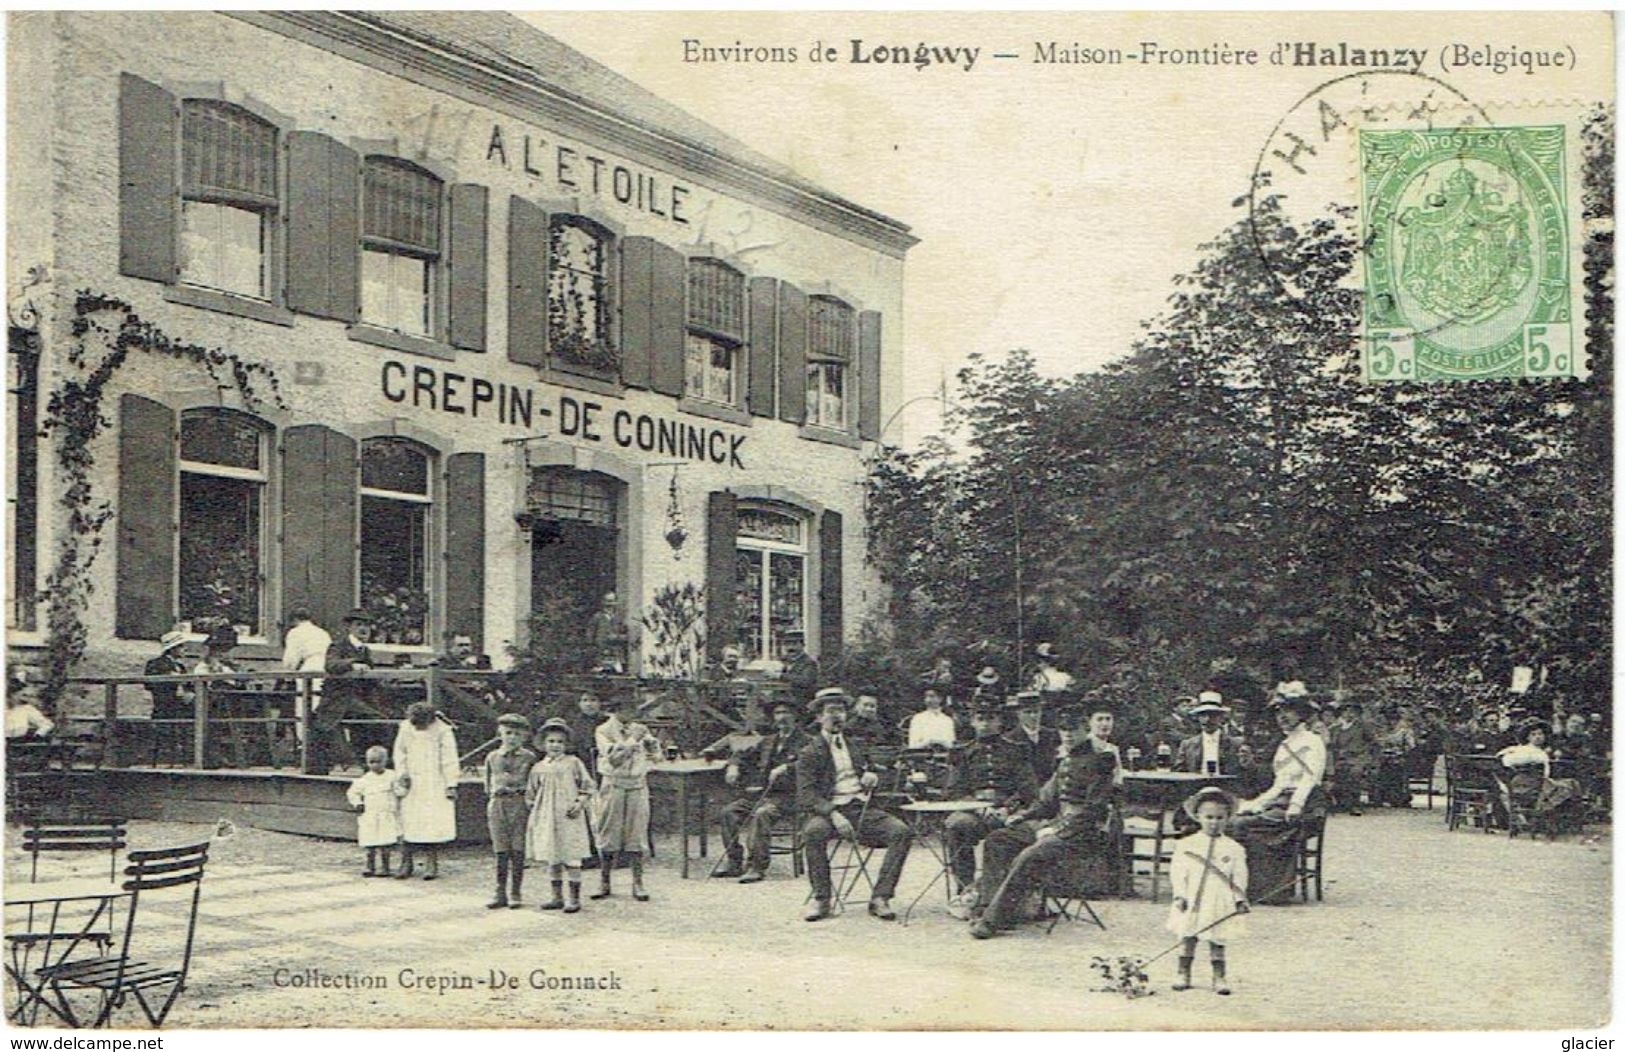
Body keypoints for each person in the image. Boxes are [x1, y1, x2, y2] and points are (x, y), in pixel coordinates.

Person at [968, 731, 1119, 940]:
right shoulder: (1066, 761)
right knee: (998, 839)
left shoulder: (1101, 762)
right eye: (1064, 730)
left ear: (1085, 730)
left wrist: (1057, 829)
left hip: (1084, 833)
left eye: (1073, 728)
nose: (1068, 735)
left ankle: (992, 920)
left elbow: (1094, 811)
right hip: (1058, 825)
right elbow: (1046, 802)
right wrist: (1022, 816)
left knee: (1030, 855)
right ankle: (989, 906)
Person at [797, 687, 914, 922]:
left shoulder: (856, 744)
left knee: (901, 831)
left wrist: (872, 777)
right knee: (813, 832)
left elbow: (871, 771)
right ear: (819, 717)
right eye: (830, 711)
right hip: (830, 811)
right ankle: (822, 898)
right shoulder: (810, 751)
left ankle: (881, 897)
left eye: (840, 711)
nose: (837, 716)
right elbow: (806, 795)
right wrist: (833, 814)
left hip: (861, 809)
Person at [1230, 682, 1327, 905]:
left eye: (1289, 711)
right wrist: (1256, 803)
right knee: (1238, 818)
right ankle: (1252, 885)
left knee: (1241, 825)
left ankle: (1272, 889)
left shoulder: (1313, 741)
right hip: (1282, 802)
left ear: (1301, 713)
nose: (1283, 716)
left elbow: (1310, 777)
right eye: (1280, 712)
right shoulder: (1284, 744)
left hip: (1305, 805)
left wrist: (1295, 806)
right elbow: (1279, 784)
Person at [943, 698, 1038, 917]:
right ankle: (965, 889)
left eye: (991, 718)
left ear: (1000, 722)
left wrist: (1008, 807)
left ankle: (1003, 893)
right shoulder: (962, 752)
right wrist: (977, 807)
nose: (985, 724)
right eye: (980, 718)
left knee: (1017, 833)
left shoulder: (1017, 750)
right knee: (957, 825)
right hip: (975, 813)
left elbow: (1029, 789)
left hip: (1009, 812)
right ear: (973, 722)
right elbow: (953, 791)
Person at [1166, 787, 1249, 995]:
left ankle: (1219, 977)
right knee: (1188, 933)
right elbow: (1178, 872)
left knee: (1217, 937)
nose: (1214, 822)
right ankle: (1183, 972)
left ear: (1228, 818)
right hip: (1192, 897)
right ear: (1198, 817)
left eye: (1220, 817)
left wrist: (1239, 898)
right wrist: (1180, 895)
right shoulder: (1186, 845)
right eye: (1209, 817)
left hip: (1218, 898)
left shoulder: (1234, 848)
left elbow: (1239, 875)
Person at [717, 698, 808, 882]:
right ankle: (734, 861)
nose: (782, 717)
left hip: (789, 798)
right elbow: (741, 754)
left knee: (761, 814)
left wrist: (787, 768)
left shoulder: (807, 742)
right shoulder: (768, 741)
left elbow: (810, 764)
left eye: (786, 713)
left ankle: (756, 866)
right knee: (728, 812)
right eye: (778, 713)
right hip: (761, 795)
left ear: (796, 716)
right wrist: (733, 766)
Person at [593, 694, 659, 901]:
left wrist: (652, 747)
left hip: (637, 785)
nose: (632, 713)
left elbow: (656, 756)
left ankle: (638, 882)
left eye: (633, 708)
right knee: (608, 831)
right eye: (627, 708)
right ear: (616, 709)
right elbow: (613, 760)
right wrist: (632, 741)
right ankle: (604, 882)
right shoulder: (603, 730)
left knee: (637, 833)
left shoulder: (640, 728)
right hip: (613, 784)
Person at [527, 718, 596, 913]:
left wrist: (579, 803)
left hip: (569, 816)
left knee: (572, 856)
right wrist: (539, 813)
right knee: (553, 856)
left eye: (560, 742)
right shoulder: (538, 767)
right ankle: (556, 897)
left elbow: (588, 786)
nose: (555, 745)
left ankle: (574, 898)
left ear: (566, 744)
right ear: (543, 743)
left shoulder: (573, 763)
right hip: (548, 818)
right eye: (551, 741)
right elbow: (531, 794)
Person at [392, 701, 460, 880]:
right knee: (407, 820)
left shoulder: (443, 730)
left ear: (430, 721)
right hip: (412, 782)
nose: (419, 728)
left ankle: (431, 862)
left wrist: (451, 784)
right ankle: (406, 862)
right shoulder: (406, 728)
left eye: (422, 725)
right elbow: (399, 752)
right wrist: (402, 773)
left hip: (434, 782)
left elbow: (449, 758)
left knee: (431, 822)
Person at [315, 609, 384, 775]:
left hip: (357, 700)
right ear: (349, 628)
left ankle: (369, 762)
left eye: (367, 625)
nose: (364, 629)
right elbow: (331, 665)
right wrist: (352, 664)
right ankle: (358, 762)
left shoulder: (364, 650)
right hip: (337, 700)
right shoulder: (338, 645)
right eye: (359, 625)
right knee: (374, 719)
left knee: (381, 717)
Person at [484, 713, 538, 909]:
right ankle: (499, 892)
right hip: (498, 805)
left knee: (517, 849)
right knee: (500, 849)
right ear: (500, 734)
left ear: (524, 736)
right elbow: (487, 783)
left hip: (520, 804)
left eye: (517, 734)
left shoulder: (529, 757)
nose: (512, 737)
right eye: (508, 733)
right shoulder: (492, 757)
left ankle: (516, 891)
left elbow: (533, 784)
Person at [1497, 719, 1585, 835]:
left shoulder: (1539, 751)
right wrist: (1531, 760)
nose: (1538, 737)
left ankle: (1567, 822)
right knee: (1570, 785)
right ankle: (1559, 820)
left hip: (1537, 784)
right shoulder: (1523, 750)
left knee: (1571, 784)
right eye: (1533, 735)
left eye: (1540, 734)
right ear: (1528, 738)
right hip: (1528, 787)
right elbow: (1506, 760)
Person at [345, 745, 404, 877]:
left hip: (386, 814)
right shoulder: (365, 779)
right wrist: (358, 803)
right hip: (371, 815)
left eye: (378, 762)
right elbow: (352, 792)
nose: (375, 765)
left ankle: (385, 867)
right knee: (370, 842)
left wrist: (404, 786)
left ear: (386, 761)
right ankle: (369, 865)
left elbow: (399, 791)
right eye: (371, 762)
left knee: (385, 843)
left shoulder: (392, 776)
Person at [144, 629, 193, 763]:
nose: (185, 649)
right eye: (182, 646)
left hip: (181, 704)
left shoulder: (181, 667)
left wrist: (188, 692)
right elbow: (149, 684)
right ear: (173, 649)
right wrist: (171, 680)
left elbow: (189, 685)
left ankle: (189, 756)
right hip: (165, 704)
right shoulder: (156, 664)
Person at [1176, 693, 1252, 777]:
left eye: (1213, 715)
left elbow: (1246, 773)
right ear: (1198, 717)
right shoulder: (1187, 745)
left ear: (1221, 717)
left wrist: (1247, 763)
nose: (1207, 720)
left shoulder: (1236, 744)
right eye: (1203, 715)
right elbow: (1179, 773)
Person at [1326, 699, 1376, 815]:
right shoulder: (1335, 729)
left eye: (1353, 711)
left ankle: (1354, 804)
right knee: (1332, 770)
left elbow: (1373, 742)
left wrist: (1368, 756)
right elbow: (1332, 746)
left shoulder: (1362, 727)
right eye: (1346, 711)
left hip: (1358, 757)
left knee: (1354, 772)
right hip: (1340, 758)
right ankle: (1339, 802)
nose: (1349, 714)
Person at [1003, 690, 1064, 781]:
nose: (1033, 716)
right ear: (1018, 714)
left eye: (1036, 711)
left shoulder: (1053, 735)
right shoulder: (1009, 739)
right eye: (1028, 712)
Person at [587, 591, 631, 674]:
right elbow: (589, 637)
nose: (610, 604)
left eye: (612, 601)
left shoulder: (619, 618)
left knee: (618, 674)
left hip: (616, 654)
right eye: (607, 601)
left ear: (616, 602)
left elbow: (625, 635)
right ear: (603, 602)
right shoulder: (597, 617)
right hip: (601, 654)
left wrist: (617, 637)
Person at [5, 672, 54, 741]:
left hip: (18, 742)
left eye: (25, 696)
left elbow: (47, 724)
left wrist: (37, 735)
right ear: (10, 695)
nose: (24, 699)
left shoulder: (27, 709)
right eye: (22, 695)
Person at [907, 683, 957, 749]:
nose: (928, 700)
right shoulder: (918, 718)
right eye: (926, 697)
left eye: (932, 696)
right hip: (923, 754)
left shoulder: (947, 720)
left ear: (940, 699)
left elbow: (951, 743)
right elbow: (912, 745)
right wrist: (929, 742)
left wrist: (942, 743)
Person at [778, 630, 819, 697]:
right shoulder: (783, 661)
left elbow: (805, 681)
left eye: (794, 644)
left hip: (801, 699)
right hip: (783, 698)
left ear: (802, 645)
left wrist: (780, 675)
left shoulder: (809, 662)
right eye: (787, 644)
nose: (790, 648)